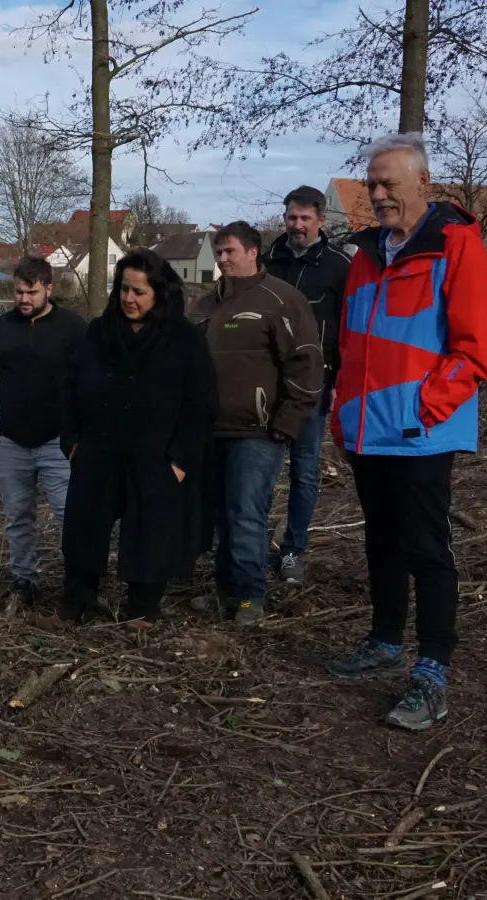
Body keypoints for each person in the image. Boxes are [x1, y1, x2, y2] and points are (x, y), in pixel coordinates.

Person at [327, 132, 487, 731]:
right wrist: (340, 410)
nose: (377, 195)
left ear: (422, 184)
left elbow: (479, 349)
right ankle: (383, 638)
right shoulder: (367, 254)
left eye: (388, 184)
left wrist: (427, 407)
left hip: (422, 431)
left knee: (427, 546)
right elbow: (351, 345)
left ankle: (432, 669)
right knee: (381, 539)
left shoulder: (454, 243)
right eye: (372, 185)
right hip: (366, 431)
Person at [58, 249, 218, 627]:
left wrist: (180, 460)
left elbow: (201, 405)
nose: (129, 299)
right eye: (124, 290)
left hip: (156, 452)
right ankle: (77, 602)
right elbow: (69, 387)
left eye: (139, 292)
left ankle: (141, 610)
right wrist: (72, 441)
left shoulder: (184, 339)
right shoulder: (99, 331)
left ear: (159, 294)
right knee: (84, 527)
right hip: (98, 447)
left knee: (150, 530)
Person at [194, 222, 322, 627]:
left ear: (253, 252)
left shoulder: (280, 300)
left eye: (230, 250)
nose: (222, 258)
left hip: (258, 430)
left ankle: (250, 596)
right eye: (218, 252)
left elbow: (306, 361)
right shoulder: (204, 305)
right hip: (210, 428)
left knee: (246, 512)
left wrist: (287, 421)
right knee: (219, 514)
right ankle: (225, 589)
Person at [0, 256, 87, 607]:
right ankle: (25, 581)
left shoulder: (72, 328)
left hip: (59, 441)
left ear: (49, 288)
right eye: (19, 291)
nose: (24, 299)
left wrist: (82, 433)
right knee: (18, 517)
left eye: (32, 292)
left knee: (72, 515)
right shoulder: (0, 329)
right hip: (11, 441)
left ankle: (79, 582)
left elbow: (91, 381)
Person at [262, 185, 356, 584]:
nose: (296, 225)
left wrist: (337, 380)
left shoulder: (339, 267)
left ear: (321, 220)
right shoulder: (267, 262)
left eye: (304, 218)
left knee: (304, 472)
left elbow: (347, 329)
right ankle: (252, 547)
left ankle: (293, 551)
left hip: (313, 387)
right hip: (265, 387)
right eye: (291, 217)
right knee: (261, 471)